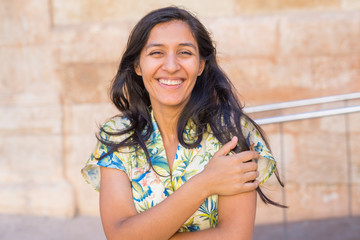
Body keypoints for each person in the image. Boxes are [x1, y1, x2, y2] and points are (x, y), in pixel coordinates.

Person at [82, 6, 284, 240]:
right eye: (157, 53)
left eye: (185, 53)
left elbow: (235, 237)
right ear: (137, 65)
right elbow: (118, 236)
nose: (171, 66)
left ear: (201, 65)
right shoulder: (117, 136)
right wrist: (206, 183)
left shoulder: (231, 133)